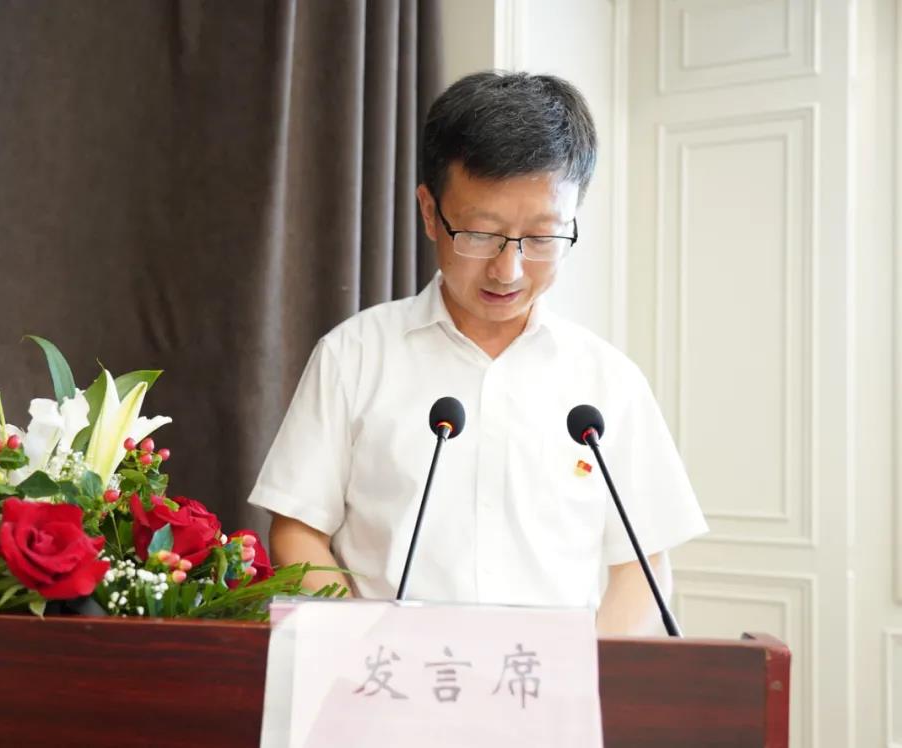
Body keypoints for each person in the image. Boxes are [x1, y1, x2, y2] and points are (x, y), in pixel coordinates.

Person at [246, 72, 707, 635]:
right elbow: (298, 528)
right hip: (388, 674)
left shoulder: (609, 382)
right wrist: (365, 644)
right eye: (480, 234)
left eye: (542, 238)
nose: (508, 270)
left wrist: (589, 671)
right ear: (429, 211)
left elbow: (642, 562)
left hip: (548, 682)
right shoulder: (354, 356)